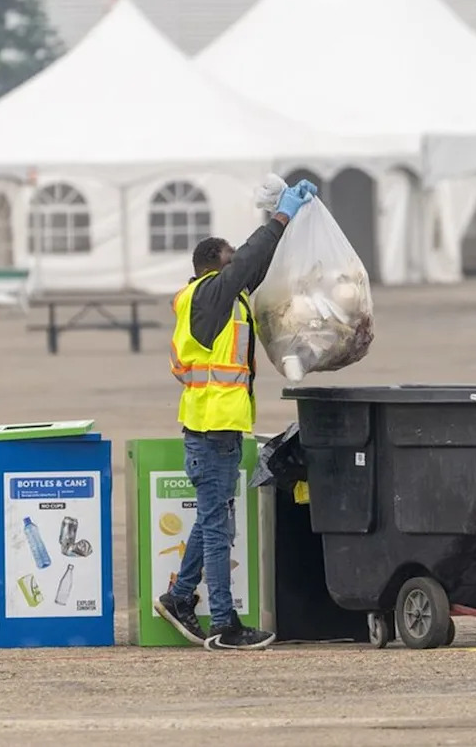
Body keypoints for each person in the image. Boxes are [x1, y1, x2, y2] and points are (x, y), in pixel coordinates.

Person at [155, 179, 318, 650]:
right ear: (213, 266)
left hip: (217, 429)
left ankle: (179, 597)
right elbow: (246, 261)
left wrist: (288, 225)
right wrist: (279, 217)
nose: (238, 268)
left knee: (213, 520)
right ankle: (225, 624)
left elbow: (254, 263)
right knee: (216, 526)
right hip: (210, 431)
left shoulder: (219, 300)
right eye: (230, 261)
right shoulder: (207, 296)